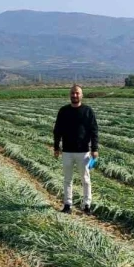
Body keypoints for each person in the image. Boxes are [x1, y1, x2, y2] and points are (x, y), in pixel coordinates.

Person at [53, 84, 99, 214]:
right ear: (70, 95)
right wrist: (56, 147)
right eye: (73, 93)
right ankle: (67, 204)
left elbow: (94, 131)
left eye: (77, 93)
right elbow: (57, 131)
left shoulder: (88, 111)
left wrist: (94, 148)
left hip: (83, 152)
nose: (74, 95)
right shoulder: (63, 111)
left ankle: (87, 205)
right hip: (67, 151)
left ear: (81, 95)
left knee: (85, 179)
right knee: (67, 179)